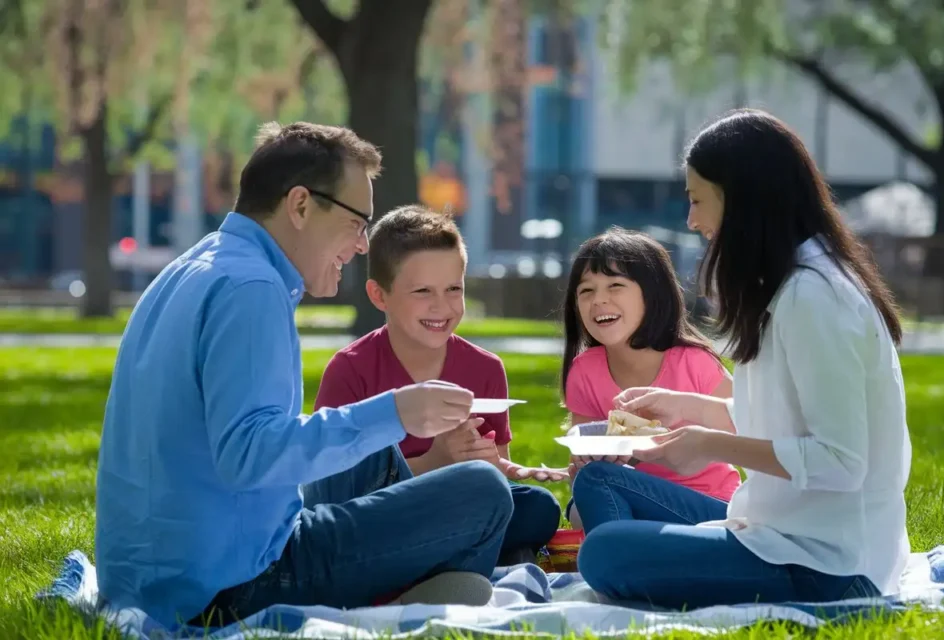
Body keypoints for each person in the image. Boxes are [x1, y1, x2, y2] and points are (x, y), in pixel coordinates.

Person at [94, 122, 514, 629]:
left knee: (379, 453)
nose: (362, 245)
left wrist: (385, 422)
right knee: (483, 494)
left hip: (150, 577)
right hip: (230, 586)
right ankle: (402, 602)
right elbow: (249, 456)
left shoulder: (194, 268)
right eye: (358, 221)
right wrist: (398, 412)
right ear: (299, 205)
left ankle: (403, 574)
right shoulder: (252, 289)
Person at [573, 108, 912, 611]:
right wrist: (687, 407)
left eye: (696, 200)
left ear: (742, 198)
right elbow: (789, 423)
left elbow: (842, 462)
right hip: (778, 530)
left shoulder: (813, 297)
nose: (691, 221)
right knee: (600, 481)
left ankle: (663, 567)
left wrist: (708, 444)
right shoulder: (793, 285)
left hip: (827, 566)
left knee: (603, 552)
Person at [310, 204, 562, 566]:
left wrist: (503, 467)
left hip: (454, 511)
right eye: (423, 292)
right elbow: (331, 492)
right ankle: (456, 564)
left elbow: (496, 477)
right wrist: (434, 460)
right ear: (379, 295)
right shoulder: (351, 369)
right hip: (378, 518)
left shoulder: (485, 369)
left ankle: (435, 568)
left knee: (538, 507)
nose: (441, 306)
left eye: (453, 289)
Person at [560, 228, 739, 530]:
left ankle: (625, 557)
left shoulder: (694, 362)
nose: (599, 300)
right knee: (581, 500)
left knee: (596, 489)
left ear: (653, 294)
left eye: (615, 285)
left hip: (710, 506)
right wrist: (582, 465)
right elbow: (587, 449)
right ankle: (633, 552)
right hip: (636, 500)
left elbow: (747, 427)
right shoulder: (584, 370)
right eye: (586, 290)